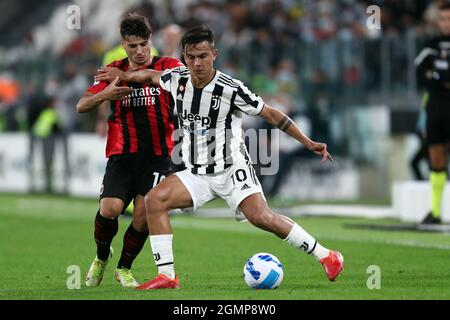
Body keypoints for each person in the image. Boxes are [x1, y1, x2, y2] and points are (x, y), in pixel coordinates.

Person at [95, 25, 344, 290]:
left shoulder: (231, 89)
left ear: (214, 54)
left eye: (202, 56)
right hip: (197, 173)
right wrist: (124, 75)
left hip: (231, 169)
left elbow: (271, 114)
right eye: (190, 57)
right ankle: (167, 276)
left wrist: (308, 142)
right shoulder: (176, 78)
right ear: (184, 57)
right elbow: (150, 75)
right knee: (154, 201)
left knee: (262, 218)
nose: (196, 63)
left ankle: (327, 255)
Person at [76, 13, 183, 288]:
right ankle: (102, 256)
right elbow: (82, 105)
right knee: (109, 209)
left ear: (151, 41)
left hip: (158, 156)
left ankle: (124, 267)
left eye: (144, 44)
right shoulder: (112, 69)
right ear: (123, 44)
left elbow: (178, 81)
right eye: (133, 45)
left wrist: (127, 78)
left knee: (143, 214)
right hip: (122, 154)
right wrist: (104, 95)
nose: (139, 51)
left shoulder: (167, 65)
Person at [415, 3, 450, 224]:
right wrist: (440, 79)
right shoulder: (429, 46)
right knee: (435, 156)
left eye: (449, 19)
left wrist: (437, 76)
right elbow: (420, 76)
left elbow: (432, 75)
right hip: (436, 106)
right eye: (443, 19)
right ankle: (435, 211)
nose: (446, 23)